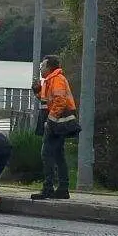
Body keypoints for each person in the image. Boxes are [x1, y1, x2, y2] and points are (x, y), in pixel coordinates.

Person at [31, 55, 78, 201]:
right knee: (58, 155)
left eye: (42, 66)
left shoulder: (56, 79)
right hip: (59, 122)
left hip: (58, 123)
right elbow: (47, 101)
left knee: (47, 154)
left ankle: (48, 188)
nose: (40, 68)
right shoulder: (50, 80)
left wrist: (50, 121)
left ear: (50, 67)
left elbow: (59, 101)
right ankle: (63, 188)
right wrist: (38, 91)